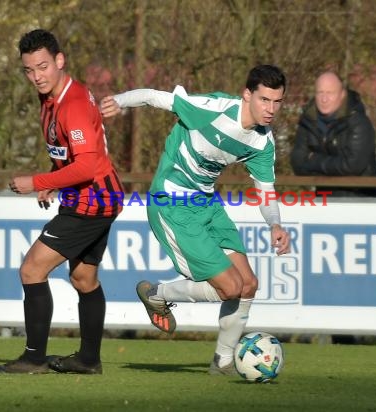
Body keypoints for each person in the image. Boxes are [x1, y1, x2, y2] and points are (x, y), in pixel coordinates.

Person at [100, 65, 290, 375]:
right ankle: (156, 294)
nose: (271, 109)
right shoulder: (213, 110)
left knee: (248, 285)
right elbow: (153, 97)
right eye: (265, 100)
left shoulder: (262, 142)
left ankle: (223, 361)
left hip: (207, 204)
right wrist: (119, 101)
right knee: (229, 287)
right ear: (247, 95)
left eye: (277, 102)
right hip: (172, 204)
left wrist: (275, 224)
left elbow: (265, 191)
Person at [0, 29, 124, 374]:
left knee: (32, 269)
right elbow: (70, 153)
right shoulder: (53, 98)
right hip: (93, 196)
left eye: (43, 67)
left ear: (60, 61)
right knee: (83, 279)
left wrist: (36, 181)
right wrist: (53, 177)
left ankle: (34, 359)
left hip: (91, 201)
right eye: (29, 70)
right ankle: (89, 360)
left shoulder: (74, 104)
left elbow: (87, 165)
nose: (36, 76)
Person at [290, 70, 376, 197]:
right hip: (325, 200)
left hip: (364, 198)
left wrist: (314, 159)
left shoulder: (359, 123)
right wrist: (335, 165)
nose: (324, 98)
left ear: (342, 95)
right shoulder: (308, 121)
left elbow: (352, 167)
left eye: (330, 93)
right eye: (320, 93)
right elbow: (297, 163)